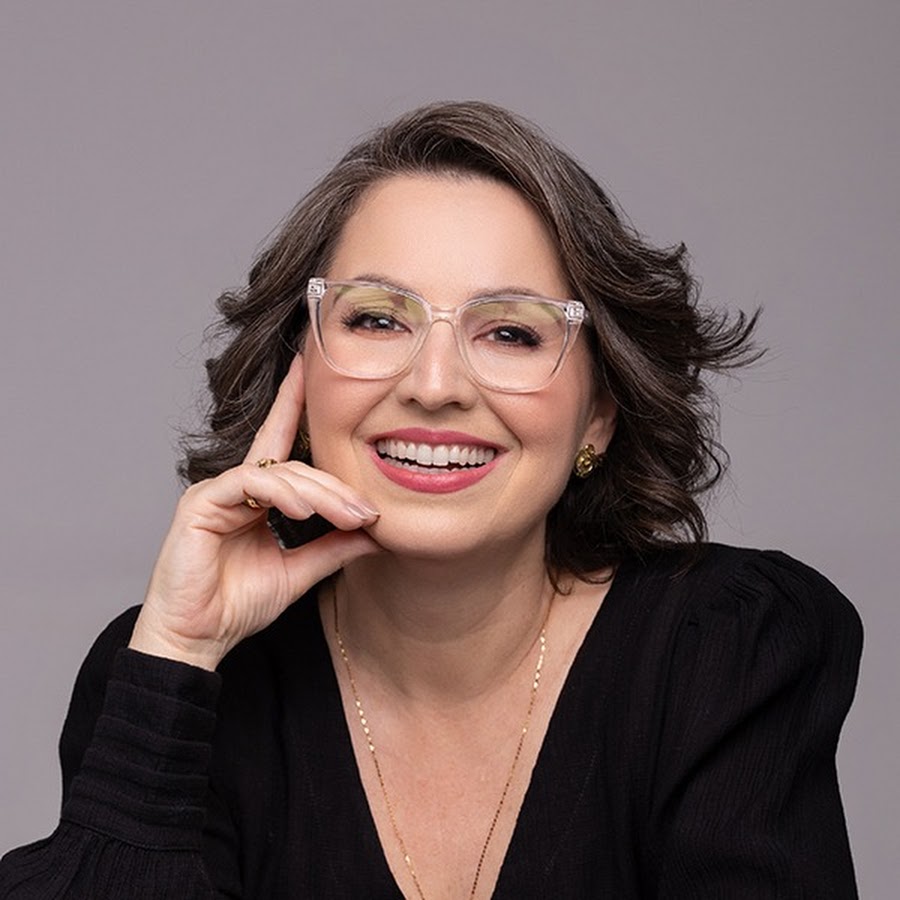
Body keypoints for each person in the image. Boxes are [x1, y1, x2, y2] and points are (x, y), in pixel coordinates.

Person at [0, 101, 861, 899]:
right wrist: (179, 652)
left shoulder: (724, 650)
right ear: (299, 376)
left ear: (600, 414)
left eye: (512, 332)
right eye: (377, 320)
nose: (435, 384)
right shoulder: (180, 677)